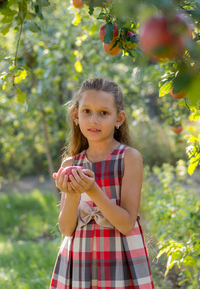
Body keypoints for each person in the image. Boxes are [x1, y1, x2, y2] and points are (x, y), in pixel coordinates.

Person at [50, 78, 154, 289]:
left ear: (119, 118)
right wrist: (72, 192)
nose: (93, 120)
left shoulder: (129, 158)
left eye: (103, 113)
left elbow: (126, 224)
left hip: (120, 260)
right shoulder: (71, 163)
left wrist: (92, 190)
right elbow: (66, 228)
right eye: (86, 111)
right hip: (80, 259)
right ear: (76, 115)